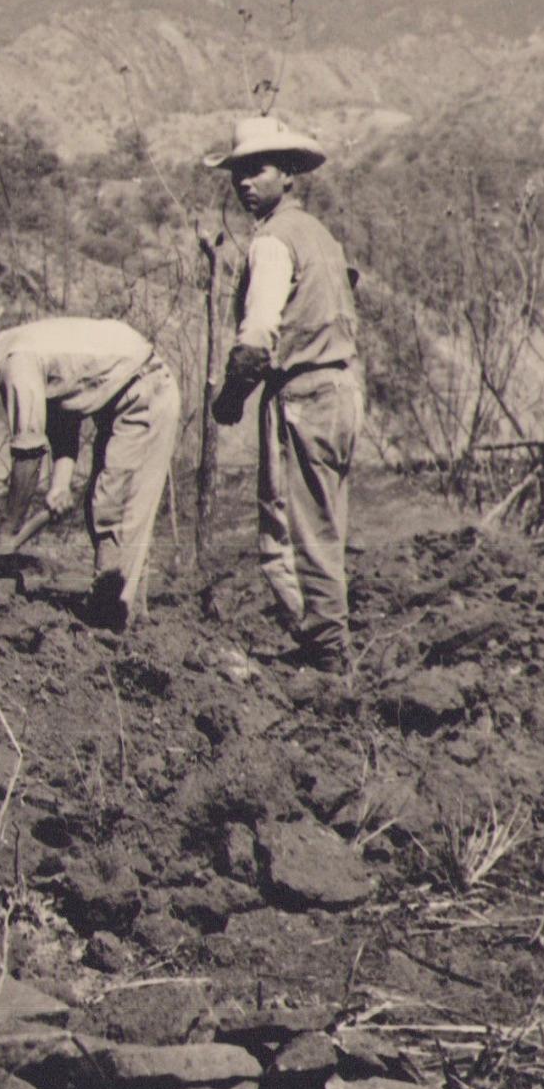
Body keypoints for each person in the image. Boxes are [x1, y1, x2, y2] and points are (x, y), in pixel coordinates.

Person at [206, 115, 363, 672]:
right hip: (343, 385)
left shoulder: (272, 242)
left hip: (304, 390)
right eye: (239, 173)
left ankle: (327, 654)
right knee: (326, 519)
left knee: (300, 529)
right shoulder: (319, 235)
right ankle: (322, 639)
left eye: (259, 170)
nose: (246, 182)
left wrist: (230, 399)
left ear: (289, 175)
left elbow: (257, 336)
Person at [0, 304, 181, 631]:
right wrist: (60, 483)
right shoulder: (16, 349)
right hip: (129, 396)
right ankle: (128, 614)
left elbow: (28, 454)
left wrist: (7, 530)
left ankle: (112, 621)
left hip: (145, 392)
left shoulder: (17, 363)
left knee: (114, 506)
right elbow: (62, 420)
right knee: (108, 506)